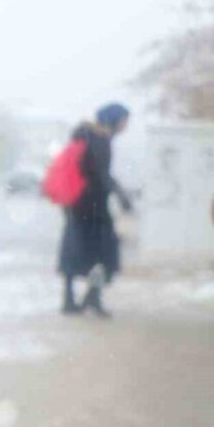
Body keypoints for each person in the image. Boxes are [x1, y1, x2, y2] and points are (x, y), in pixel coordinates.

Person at [59, 102, 133, 317]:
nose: (126, 125)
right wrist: (120, 194)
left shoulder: (84, 135)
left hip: (75, 204)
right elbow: (100, 173)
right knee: (105, 253)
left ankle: (70, 299)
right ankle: (93, 297)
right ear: (114, 119)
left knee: (75, 249)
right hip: (93, 206)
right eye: (124, 120)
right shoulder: (101, 139)